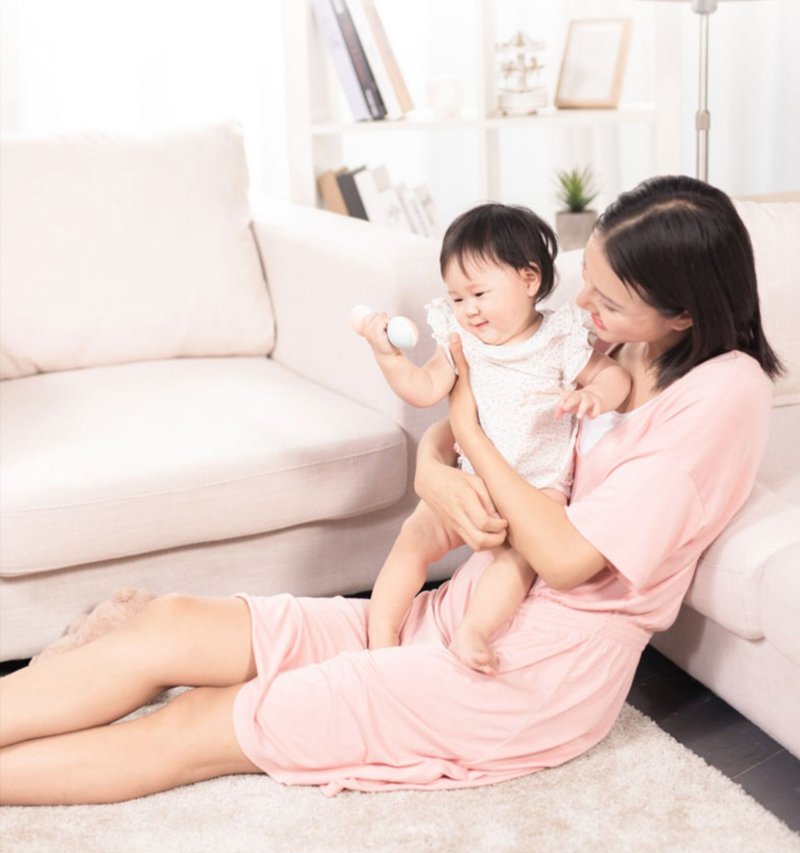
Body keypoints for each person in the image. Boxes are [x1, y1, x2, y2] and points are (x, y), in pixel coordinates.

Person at [0, 175, 782, 807]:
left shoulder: (719, 399)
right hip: (459, 606)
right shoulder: (608, 345)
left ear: (681, 314)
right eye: (591, 283)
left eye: (607, 298)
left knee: (201, 721)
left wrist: (466, 436)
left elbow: (570, 557)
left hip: (527, 671)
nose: (583, 306)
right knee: (172, 623)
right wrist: (433, 467)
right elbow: (496, 432)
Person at [359, 203, 631, 674]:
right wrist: (387, 357)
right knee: (412, 539)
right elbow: (422, 390)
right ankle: (381, 635)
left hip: (537, 488)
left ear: (528, 281)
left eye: (479, 293)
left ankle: (475, 631)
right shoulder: (461, 341)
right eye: (457, 299)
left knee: (518, 562)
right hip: (471, 481)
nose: (469, 310)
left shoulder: (557, 338)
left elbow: (613, 376)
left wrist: (595, 399)